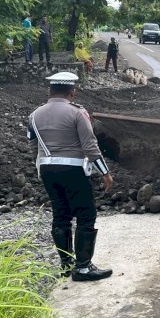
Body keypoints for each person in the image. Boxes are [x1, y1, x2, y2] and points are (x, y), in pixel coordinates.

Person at [27, 72, 114, 282]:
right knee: (86, 215)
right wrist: (105, 173)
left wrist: (41, 168)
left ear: (50, 91)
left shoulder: (34, 115)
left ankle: (66, 265)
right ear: (72, 92)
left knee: (61, 215)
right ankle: (83, 268)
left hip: (48, 170)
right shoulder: (78, 113)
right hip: (73, 170)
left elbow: (33, 145)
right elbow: (90, 146)